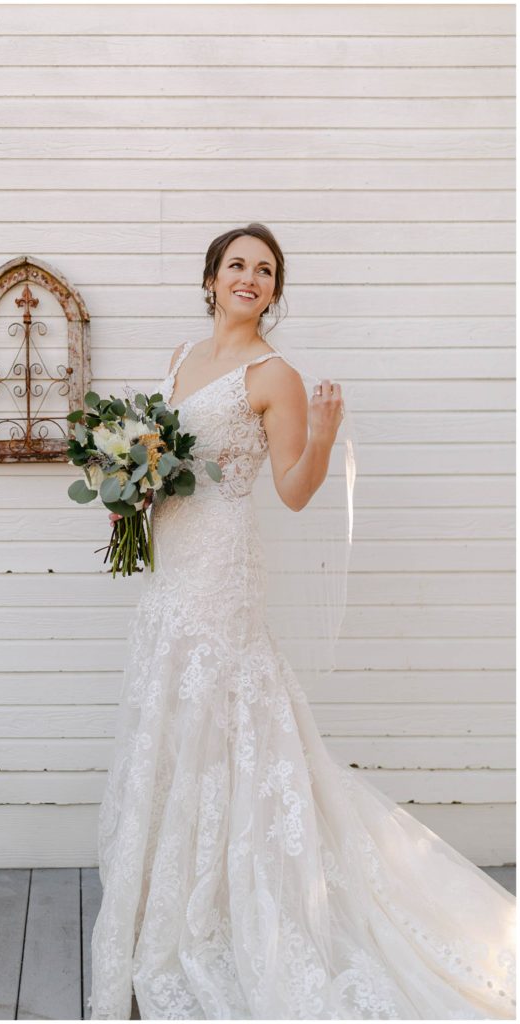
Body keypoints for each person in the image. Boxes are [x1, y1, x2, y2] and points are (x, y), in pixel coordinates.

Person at [87, 224, 516, 1020]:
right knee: (174, 704)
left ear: (274, 292)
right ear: (209, 278)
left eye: (265, 271)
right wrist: (129, 490)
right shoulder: (181, 356)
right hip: (171, 562)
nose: (250, 278)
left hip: (222, 570)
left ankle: (245, 901)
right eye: (237, 265)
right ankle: (176, 886)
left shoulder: (274, 375)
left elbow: (290, 490)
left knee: (229, 715)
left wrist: (318, 438)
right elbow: (163, 456)